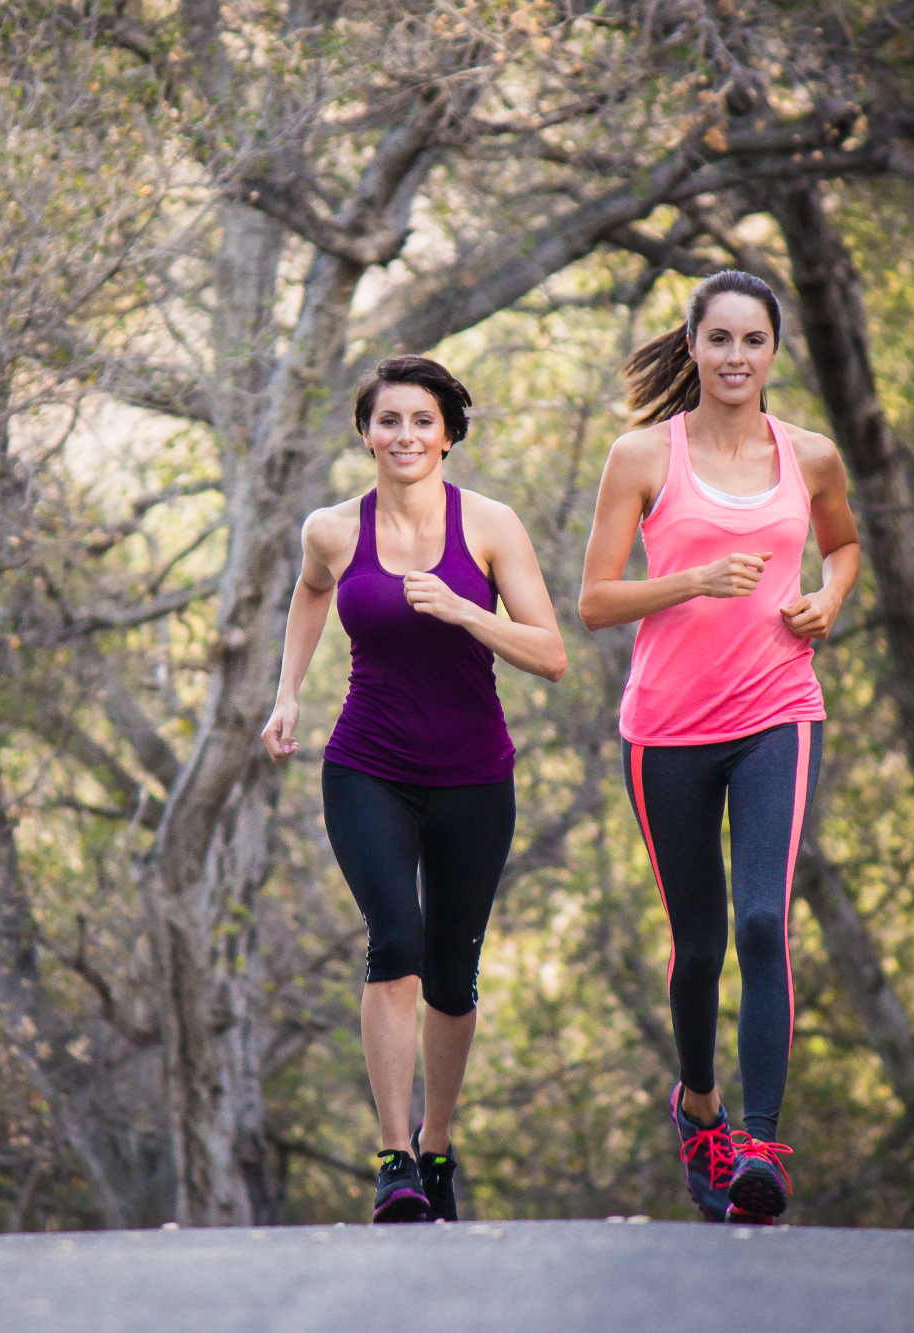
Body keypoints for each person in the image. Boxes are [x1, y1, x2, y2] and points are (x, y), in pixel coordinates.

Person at [578, 271, 860, 1224]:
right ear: (692, 345)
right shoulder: (642, 457)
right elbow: (595, 601)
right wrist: (692, 577)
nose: (737, 357)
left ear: (775, 353)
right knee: (697, 947)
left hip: (778, 710)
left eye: (754, 341)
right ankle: (700, 1107)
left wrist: (829, 597)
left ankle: (762, 1146)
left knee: (758, 924)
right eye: (721, 339)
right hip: (667, 729)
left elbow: (846, 546)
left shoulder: (811, 455)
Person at [262, 355, 567, 1224]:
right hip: (368, 765)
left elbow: (550, 654)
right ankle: (394, 1156)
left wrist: (466, 611)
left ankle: (438, 1149)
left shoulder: (492, 526)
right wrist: (288, 691)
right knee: (393, 939)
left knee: (452, 977)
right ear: (366, 432)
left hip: (475, 774)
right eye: (388, 420)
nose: (404, 436)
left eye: (421, 421)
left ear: (447, 434)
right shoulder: (332, 528)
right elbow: (310, 593)